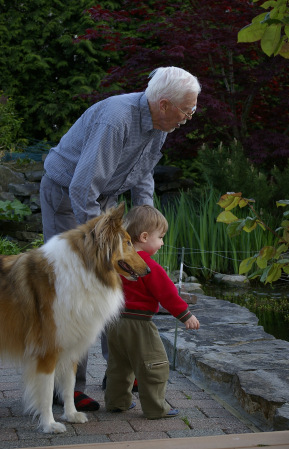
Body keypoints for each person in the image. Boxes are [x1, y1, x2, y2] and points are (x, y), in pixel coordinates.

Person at [40, 66, 201, 410]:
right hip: (68, 199)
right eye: (187, 110)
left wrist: (148, 229)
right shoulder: (117, 120)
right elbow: (83, 187)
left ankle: (118, 371)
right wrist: (107, 244)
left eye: (192, 109)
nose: (189, 116)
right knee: (78, 289)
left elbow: (143, 178)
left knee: (117, 281)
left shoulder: (160, 125)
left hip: (103, 199)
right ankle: (63, 386)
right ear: (163, 103)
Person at [105, 205, 200, 418]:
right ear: (145, 236)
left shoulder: (116, 261)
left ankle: (115, 402)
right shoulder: (148, 265)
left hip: (114, 322)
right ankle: (156, 408)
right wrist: (186, 315)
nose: (162, 243)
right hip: (139, 324)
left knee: (118, 365)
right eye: (160, 237)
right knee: (154, 365)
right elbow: (167, 294)